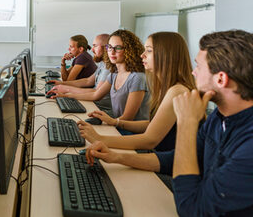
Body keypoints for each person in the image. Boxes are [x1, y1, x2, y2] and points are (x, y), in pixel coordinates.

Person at [86, 30, 253, 216]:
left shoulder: (249, 144)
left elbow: (192, 210)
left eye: (199, 67)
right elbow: (174, 159)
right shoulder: (219, 117)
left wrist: (187, 124)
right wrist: (117, 157)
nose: (193, 71)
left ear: (221, 79)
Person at [78, 32, 196, 151]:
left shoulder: (177, 90)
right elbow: (151, 125)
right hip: (159, 154)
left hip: (161, 157)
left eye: (148, 51)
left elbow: (149, 140)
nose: (142, 55)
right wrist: (115, 122)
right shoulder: (163, 86)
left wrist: (100, 138)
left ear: (166, 55)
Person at [60, 30, 149, 122]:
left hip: (129, 131)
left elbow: (127, 118)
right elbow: (95, 95)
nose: (112, 52)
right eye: (109, 47)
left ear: (129, 50)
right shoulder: (114, 74)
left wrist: (108, 120)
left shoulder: (137, 78)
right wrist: (65, 96)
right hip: (116, 122)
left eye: (118, 48)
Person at [48, 34, 111, 108]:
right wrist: (61, 83)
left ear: (106, 48)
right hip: (93, 101)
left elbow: (96, 92)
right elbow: (88, 81)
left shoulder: (84, 58)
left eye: (95, 46)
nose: (92, 49)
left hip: (99, 106)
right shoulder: (102, 63)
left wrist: (66, 90)